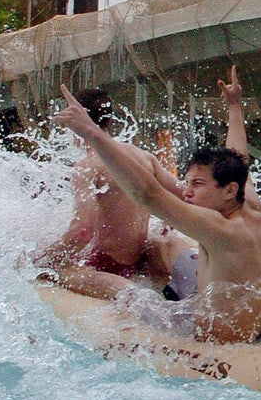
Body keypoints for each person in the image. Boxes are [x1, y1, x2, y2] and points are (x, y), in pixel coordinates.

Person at [53, 66, 261, 344]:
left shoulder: (218, 227)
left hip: (215, 338)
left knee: (132, 305)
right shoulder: (249, 204)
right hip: (240, 314)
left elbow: (147, 193)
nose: (186, 193)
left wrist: (92, 133)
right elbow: (239, 158)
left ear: (227, 190)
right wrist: (234, 107)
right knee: (168, 242)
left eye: (197, 185)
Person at [32, 88, 186, 299]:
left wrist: (43, 258)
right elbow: (185, 195)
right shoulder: (144, 156)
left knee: (52, 271)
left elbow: (82, 231)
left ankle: (132, 297)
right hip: (139, 260)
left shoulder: (87, 167)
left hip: (105, 264)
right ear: (109, 119)